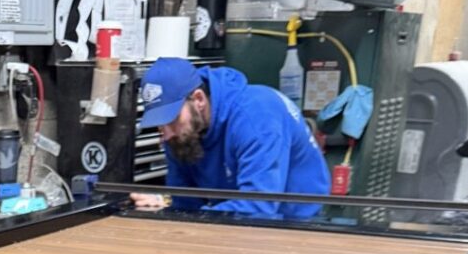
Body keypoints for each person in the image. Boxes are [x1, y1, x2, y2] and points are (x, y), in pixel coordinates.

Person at [130, 56, 331, 219]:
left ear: (198, 99)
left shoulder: (257, 116)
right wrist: (164, 210)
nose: (166, 133)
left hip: (296, 222)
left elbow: (258, 207)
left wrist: (193, 218)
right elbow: (185, 203)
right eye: (159, 123)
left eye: (171, 119)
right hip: (234, 218)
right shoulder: (178, 133)